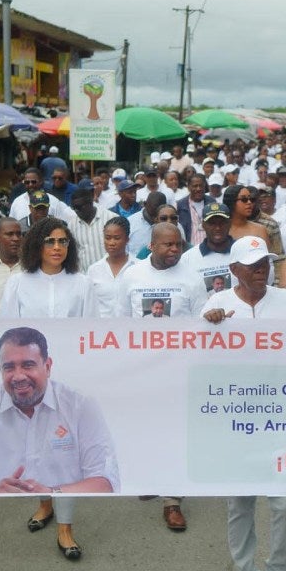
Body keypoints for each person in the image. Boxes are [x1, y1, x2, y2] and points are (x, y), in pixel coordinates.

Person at [0, 327, 118, 561]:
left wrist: (54, 491)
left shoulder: (80, 404)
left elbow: (106, 478)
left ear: (47, 366)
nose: (18, 376)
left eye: (28, 365)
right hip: (1, 546)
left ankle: (64, 529)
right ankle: (46, 506)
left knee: (63, 471)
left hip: (63, 485)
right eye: (9, 367)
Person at [201, 237, 286, 571]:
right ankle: (244, 568)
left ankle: (279, 567)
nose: (262, 269)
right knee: (240, 503)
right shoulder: (215, 304)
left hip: (281, 419)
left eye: (265, 262)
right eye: (252, 265)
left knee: (285, 506)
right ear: (235, 270)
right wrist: (207, 327)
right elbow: (197, 360)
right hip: (236, 421)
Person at [0, 217, 95, 553]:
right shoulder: (19, 283)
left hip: (69, 379)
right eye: (50, 241)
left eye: (63, 242)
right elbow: (8, 332)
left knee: (66, 450)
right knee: (35, 444)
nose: (57, 248)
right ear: (37, 244)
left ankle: (65, 527)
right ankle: (45, 503)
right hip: (30, 380)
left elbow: (90, 332)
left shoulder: (82, 283)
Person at [116, 221, 207, 531]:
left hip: (178, 370)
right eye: (168, 245)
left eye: (178, 245)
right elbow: (120, 324)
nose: (174, 250)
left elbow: (202, 327)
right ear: (151, 246)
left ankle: (173, 501)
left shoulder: (192, 279)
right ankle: (151, 478)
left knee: (175, 432)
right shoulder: (132, 275)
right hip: (141, 369)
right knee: (147, 428)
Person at [179, 202, 237, 294]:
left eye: (222, 223)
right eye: (212, 223)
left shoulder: (242, 251)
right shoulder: (188, 259)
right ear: (203, 225)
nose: (217, 228)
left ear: (230, 223)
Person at [87, 217, 134, 318]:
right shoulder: (94, 270)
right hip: (102, 331)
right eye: (107, 238)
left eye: (117, 238)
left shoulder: (138, 268)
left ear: (127, 239)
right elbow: (90, 306)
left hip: (131, 330)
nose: (111, 243)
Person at [67, 179, 117, 272]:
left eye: (79, 207)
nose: (76, 211)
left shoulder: (111, 219)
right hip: (85, 278)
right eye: (74, 208)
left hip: (109, 275)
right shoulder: (72, 225)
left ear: (90, 203)